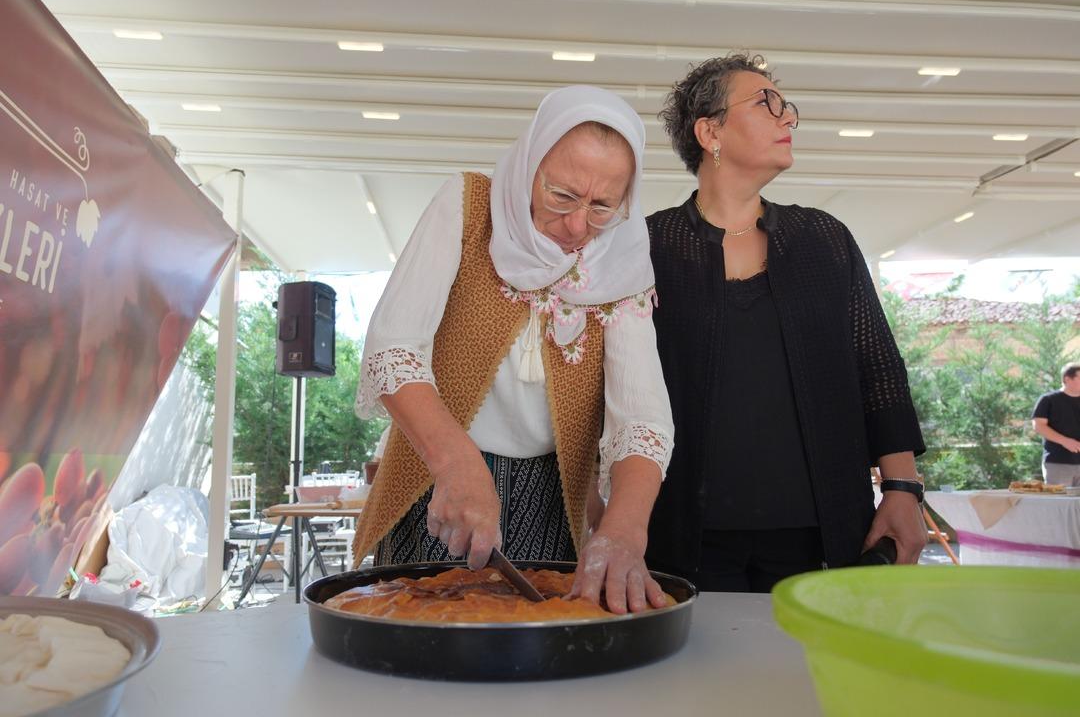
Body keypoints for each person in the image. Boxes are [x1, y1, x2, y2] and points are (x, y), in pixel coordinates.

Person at [352, 86, 674, 613]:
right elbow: (393, 348)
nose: (577, 226)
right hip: (437, 474)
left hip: (552, 497)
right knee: (420, 623)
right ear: (530, 167)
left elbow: (642, 418)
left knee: (538, 640)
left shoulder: (622, 261)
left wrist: (623, 529)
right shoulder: (469, 206)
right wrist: (455, 461)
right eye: (562, 196)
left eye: (602, 206)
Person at [645, 54, 926, 593]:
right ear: (710, 132)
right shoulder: (651, 246)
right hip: (682, 532)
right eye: (765, 104)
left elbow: (878, 371)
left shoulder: (822, 238)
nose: (789, 117)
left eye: (786, 106)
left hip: (823, 531)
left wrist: (903, 489)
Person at [1031, 363, 1080, 487]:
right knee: (1059, 498)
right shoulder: (1048, 400)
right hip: (1058, 463)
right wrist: (1065, 441)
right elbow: (1038, 426)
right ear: (1067, 379)